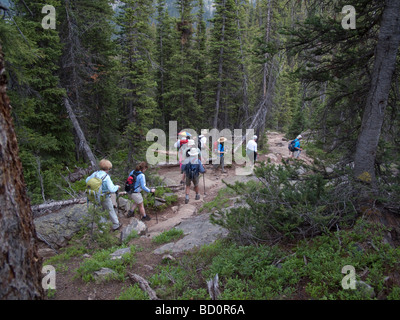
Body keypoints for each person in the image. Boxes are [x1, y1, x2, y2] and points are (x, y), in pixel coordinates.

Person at [86, 159, 121, 231]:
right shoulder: (106, 177)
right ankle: (116, 224)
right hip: (105, 197)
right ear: (108, 168)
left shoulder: (95, 174)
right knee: (110, 210)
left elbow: (87, 180)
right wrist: (117, 187)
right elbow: (112, 189)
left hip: (95, 197)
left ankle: (102, 229)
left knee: (100, 212)